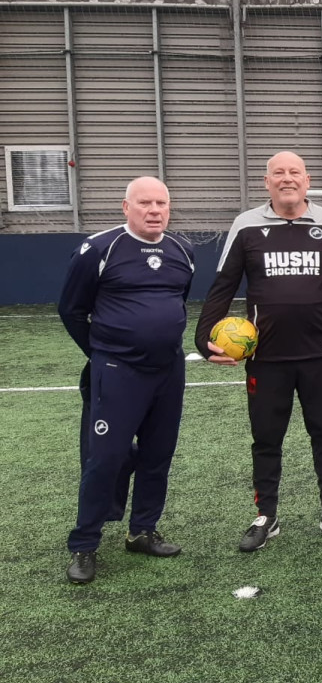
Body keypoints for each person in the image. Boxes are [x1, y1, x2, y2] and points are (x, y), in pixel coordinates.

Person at [195, 151, 322, 551]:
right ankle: (266, 515)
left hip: (321, 354)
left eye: (295, 173)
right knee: (266, 439)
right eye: (278, 173)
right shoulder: (246, 225)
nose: (287, 179)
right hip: (265, 359)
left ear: (308, 180)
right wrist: (203, 340)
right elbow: (223, 286)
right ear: (266, 182)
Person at [58, 177, 195, 584]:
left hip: (169, 370)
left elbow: (178, 301)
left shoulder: (182, 251)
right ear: (126, 207)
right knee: (106, 457)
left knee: (158, 454)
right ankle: (85, 544)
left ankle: (143, 530)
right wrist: (103, 353)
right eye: (145, 203)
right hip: (118, 371)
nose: (154, 210)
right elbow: (71, 309)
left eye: (161, 203)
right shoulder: (99, 249)